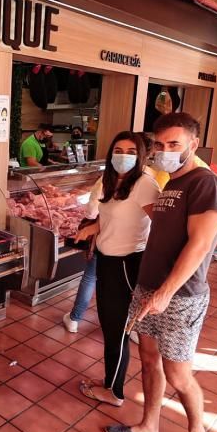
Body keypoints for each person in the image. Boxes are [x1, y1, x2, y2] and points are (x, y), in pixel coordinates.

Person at [106, 112, 217, 432]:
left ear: (193, 144)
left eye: (174, 145)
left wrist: (166, 291)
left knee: (178, 374)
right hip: (148, 287)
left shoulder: (205, 184)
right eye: (159, 145)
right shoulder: (170, 182)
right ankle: (149, 426)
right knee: (148, 360)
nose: (165, 151)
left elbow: (201, 243)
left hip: (179, 295)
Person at [74, 132, 160, 406]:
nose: (123, 156)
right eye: (118, 150)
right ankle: (111, 381)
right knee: (109, 326)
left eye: (130, 151)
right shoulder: (113, 181)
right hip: (107, 260)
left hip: (125, 263)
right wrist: (91, 229)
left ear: (141, 156)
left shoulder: (145, 184)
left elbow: (161, 225)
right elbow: (113, 218)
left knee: (117, 330)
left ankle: (115, 392)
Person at [62, 176, 102, 333]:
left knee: (90, 277)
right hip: (133, 245)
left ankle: (74, 318)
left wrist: (89, 226)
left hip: (105, 239)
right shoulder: (149, 179)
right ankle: (123, 326)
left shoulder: (109, 177)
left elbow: (92, 212)